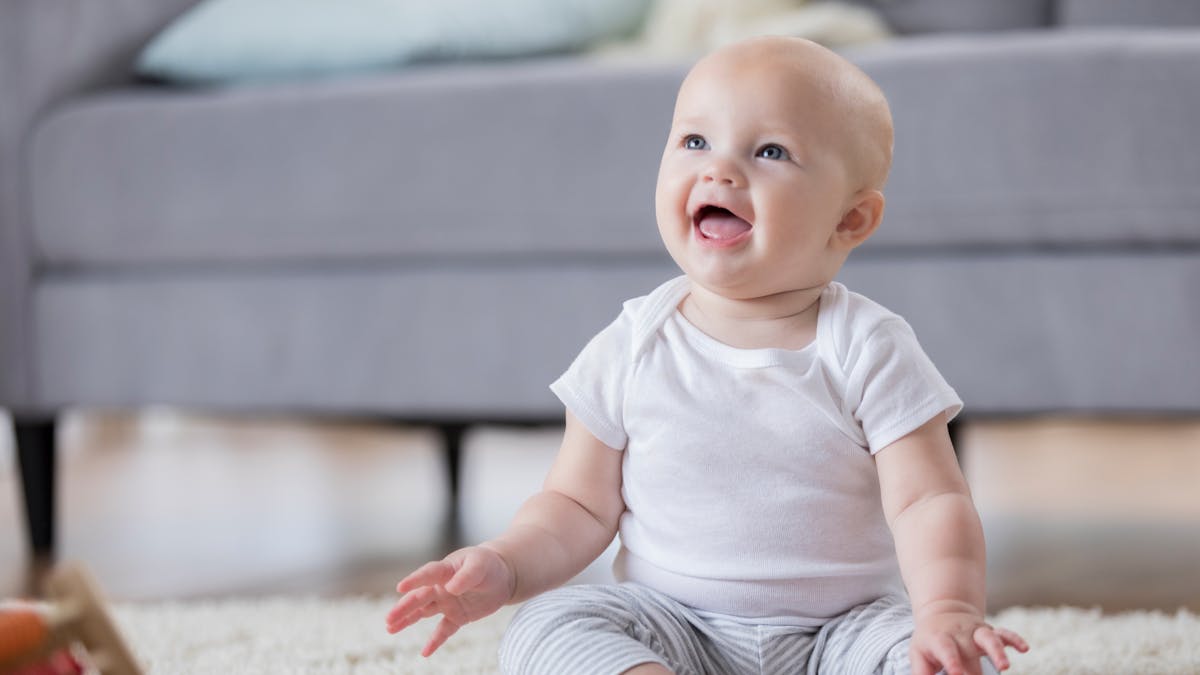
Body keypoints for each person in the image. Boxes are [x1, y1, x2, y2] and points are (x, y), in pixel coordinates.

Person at [385, 35, 1029, 675]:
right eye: (695, 141)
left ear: (850, 220)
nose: (719, 171)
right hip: (673, 625)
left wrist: (946, 611)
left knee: (922, 656)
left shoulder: (868, 346)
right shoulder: (632, 344)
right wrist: (505, 565)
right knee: (545, 626)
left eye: (770, 151)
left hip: (842, 633)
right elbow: (575, 506)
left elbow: (927, 502)